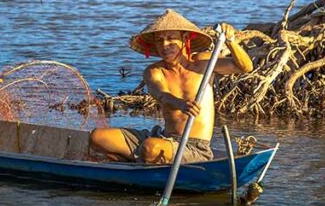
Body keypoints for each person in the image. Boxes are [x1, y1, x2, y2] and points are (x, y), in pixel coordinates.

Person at [89, 9, 253, 164]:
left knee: (150, 147)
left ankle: (146, 159)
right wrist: (180, 103)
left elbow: (245, 67)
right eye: (159, 40)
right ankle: (140, 164)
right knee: (97, 137)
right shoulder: (153, 71)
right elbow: (161, 95)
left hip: (194, 147)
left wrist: (231, 41)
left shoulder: (204, 62)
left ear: (185, 39)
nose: (165, 45)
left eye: (171, 38)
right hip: (162, 137)